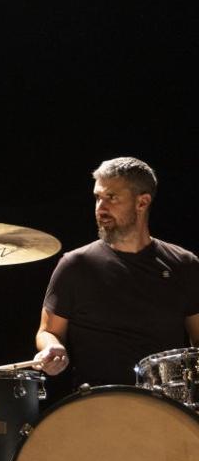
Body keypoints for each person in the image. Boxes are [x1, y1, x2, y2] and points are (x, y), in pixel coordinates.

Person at [34, 157, 199, 387]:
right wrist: (52, 347)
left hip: (165, 408)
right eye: (98, 198)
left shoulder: (184, 265)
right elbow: (47, 332)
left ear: (142, 202)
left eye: (111, 198)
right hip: (96, 406)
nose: (101, 208)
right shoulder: (75, 265)